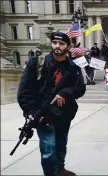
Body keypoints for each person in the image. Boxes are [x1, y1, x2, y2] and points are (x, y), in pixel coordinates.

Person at [17, 32, 86, 176]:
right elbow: (24, 91)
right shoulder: (36, 63)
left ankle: (60, 169)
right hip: (43, 114)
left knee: (61, 144)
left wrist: (65, 92)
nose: (57, 46)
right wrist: (31, 112)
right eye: (54, 42)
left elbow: (80, 88)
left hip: (63, 114)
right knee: (48, 149)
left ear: (68, 46)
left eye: (61, 44)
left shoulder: (73, 67)